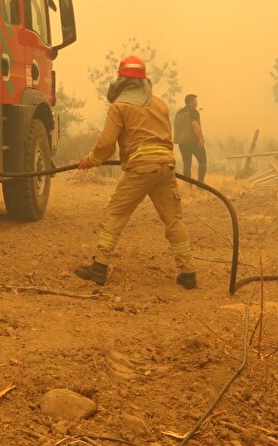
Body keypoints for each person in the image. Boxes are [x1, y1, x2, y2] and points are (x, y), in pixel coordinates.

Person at [74, 55, 197, 289]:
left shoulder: (120, 106)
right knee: (173, 220)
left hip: (141, 168)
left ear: (122, 80)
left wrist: (91, 160)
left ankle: (99, 266)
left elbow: (106, 144)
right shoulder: (160, 104)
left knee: (117, 213)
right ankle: (188, 273)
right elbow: (165, 137)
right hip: (165, 166)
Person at [174, 93, 206, 188]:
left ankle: (188, 187)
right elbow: (195, 125)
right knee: (203, 162)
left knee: (187, 164)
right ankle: (200, 186)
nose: (197, 103)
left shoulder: (179, 112)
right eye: (195, 101)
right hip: (193, 141)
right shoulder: (193, 112)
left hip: (182, 143)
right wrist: (201, 138)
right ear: (191, 102)